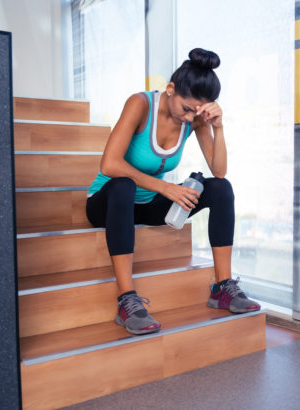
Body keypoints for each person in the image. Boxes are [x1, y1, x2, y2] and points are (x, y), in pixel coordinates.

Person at [85, 48, 260, 335]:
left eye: (198, 112)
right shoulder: (140, 104)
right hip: (108, 203)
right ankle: (127, 300)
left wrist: (218, 127)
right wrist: (166, 188)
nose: (190, 118)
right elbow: (110, 164)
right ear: (170, 90)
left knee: (221, 189)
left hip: (148, 204)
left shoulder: (195, 120)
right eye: (186, 109)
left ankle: (223, 288)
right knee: (123, 185)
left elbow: (219, 171)